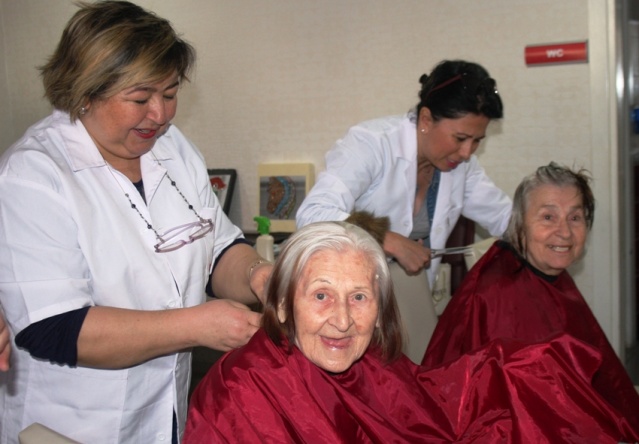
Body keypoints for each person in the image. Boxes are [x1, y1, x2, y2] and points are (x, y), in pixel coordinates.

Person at [0, 2, 272, 442]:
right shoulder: (33, 176)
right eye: (141, 98)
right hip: (73, 424)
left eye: (170, 93)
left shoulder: (173, 148)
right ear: (85, 92)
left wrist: (261, 277)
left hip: (164, 409)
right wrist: (197, 325)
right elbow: (52, 327)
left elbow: (218, 246)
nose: (161, 115)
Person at [185, 222, 639, 443]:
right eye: (321, 296)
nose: (342, 321)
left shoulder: (372, 361)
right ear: (282, 303)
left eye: (359, 298)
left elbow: (423, 411)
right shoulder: (238, 394)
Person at [296, 59, 512, 361]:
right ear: (426, 119)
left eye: (477, 141)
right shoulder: (370, 144)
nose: (467, 152)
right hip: (348, 308)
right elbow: (313, 213)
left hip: (408, 303)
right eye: (461, 138)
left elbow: (505, 218)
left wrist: (548, 226)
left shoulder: (461, 167)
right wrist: (390, 240)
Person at [423, 162, 639, 431]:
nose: (564, 232)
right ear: (519, 223)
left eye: (575, 218)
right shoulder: (500, 295)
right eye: (548, 217)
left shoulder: (549, 274)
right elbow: (512, 415)